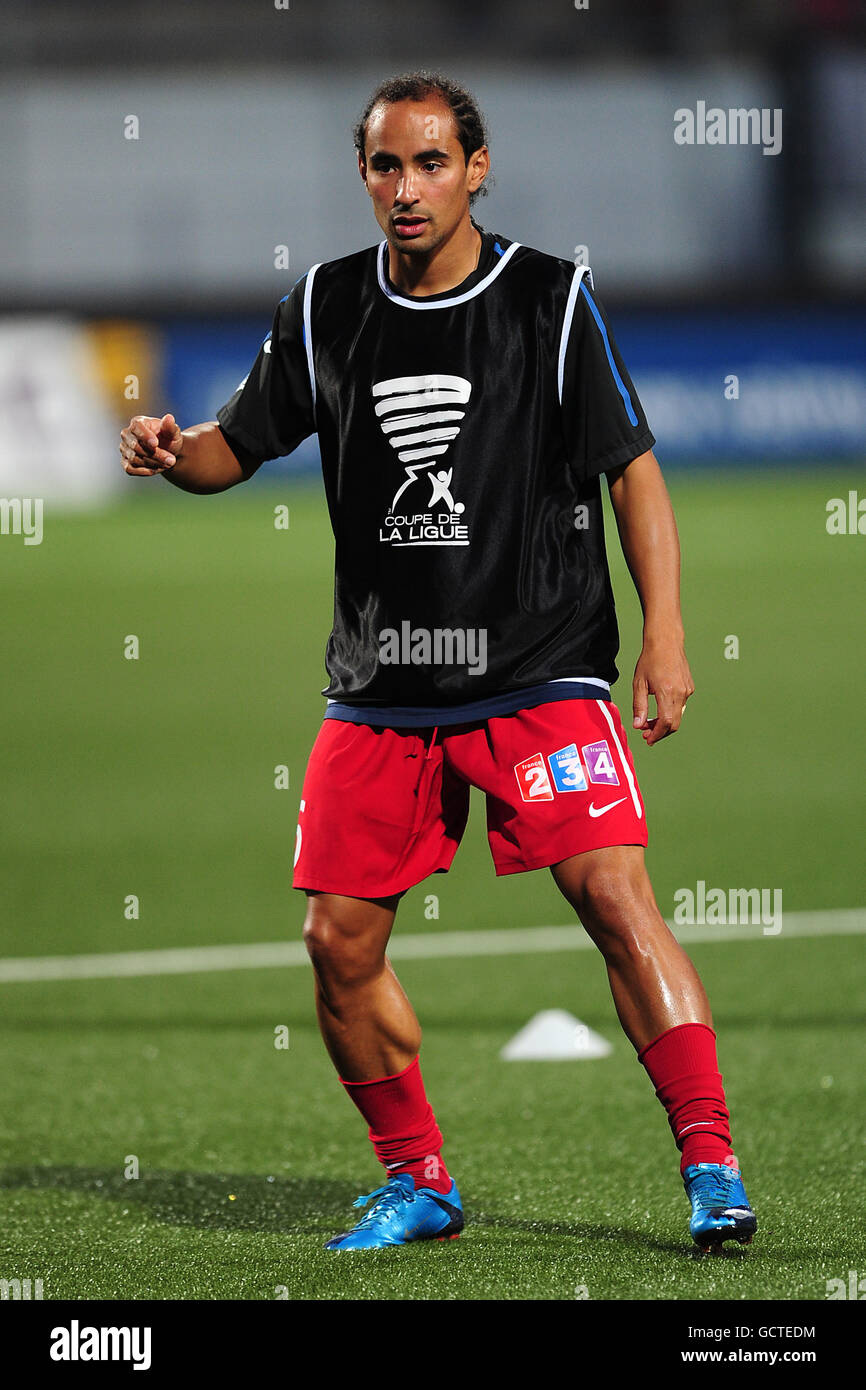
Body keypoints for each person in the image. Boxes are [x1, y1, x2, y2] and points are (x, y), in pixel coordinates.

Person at [120, 70, 757, 1256]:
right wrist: (176, 450)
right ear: (361, 174)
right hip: (381, 684)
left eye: (426, 163)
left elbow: (632, 468)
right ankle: (418, 1180)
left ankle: (710, 1165)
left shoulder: (549, 301)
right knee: (334, 943)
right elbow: (236, 448)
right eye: (381, 164)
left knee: (614, 899)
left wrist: (663, 631)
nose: (403, 188)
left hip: (540, 668)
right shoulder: (323, 306)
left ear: (475, 168)